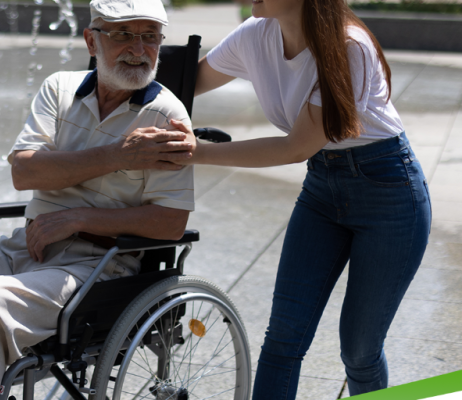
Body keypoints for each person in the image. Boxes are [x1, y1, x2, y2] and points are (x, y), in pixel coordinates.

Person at [0, 1, 195, 399]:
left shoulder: (165, 116)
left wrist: (77, 218)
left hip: (98, 268)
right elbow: (24, 173)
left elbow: (170, 223)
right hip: (27, 246)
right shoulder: (59, 88)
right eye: (124, 34)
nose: (138, 48)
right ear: (92, 41)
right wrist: (117, 156)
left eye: (150, 36)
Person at [159, 0, 432, 398]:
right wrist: (125, 59)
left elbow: (296, 146)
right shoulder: (257, 35)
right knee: (284, 338)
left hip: (388, 194)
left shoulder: (349, 47)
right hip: (323, 187)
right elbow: (183, 83)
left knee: (359, 350)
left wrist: (198, 151)